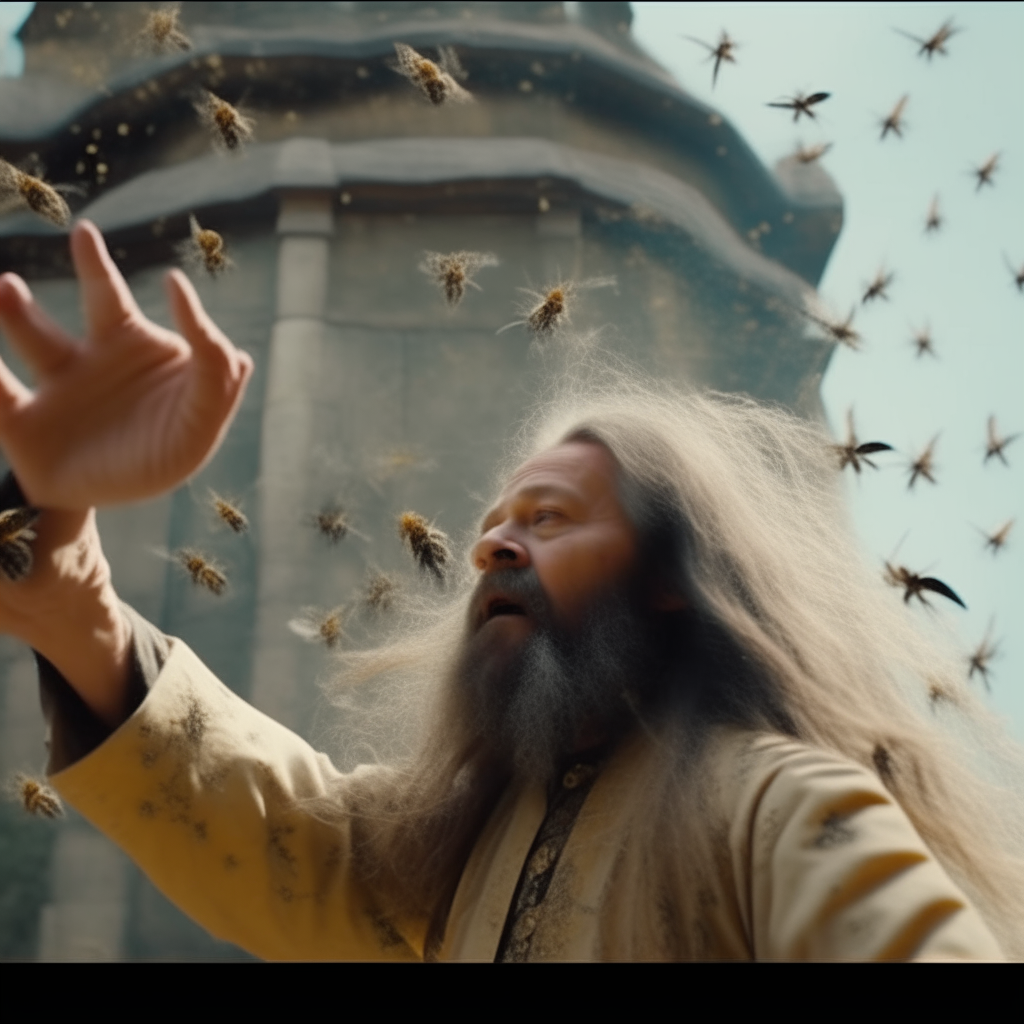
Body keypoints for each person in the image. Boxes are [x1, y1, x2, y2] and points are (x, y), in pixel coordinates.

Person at [0, 222, 1020, 961]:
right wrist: (49, 521)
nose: (493, 545)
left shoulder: (776, 803)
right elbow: (268, 825)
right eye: (492, 522)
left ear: (670, 576)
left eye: (548, 519)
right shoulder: (452, 859)